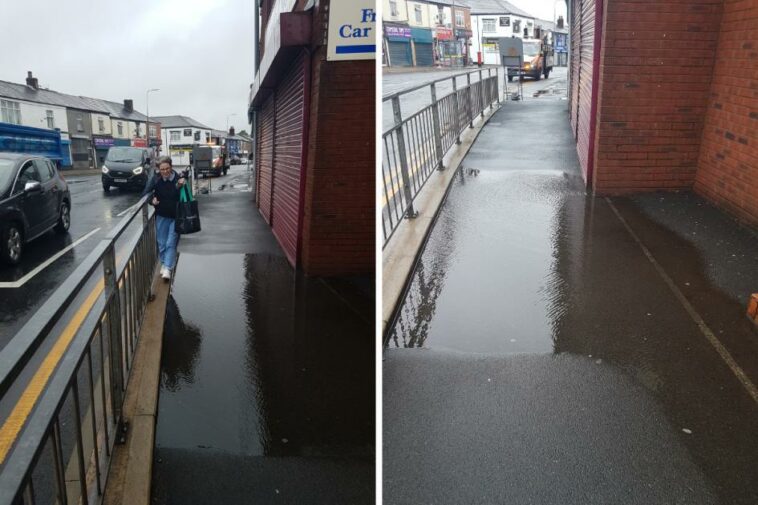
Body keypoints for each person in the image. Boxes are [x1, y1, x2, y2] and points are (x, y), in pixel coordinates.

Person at [142, 156, 186, 280]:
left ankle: (167, 268)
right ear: (158, 169)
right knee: (161, 243)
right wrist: (152, 200)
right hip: (161, 216)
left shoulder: (178, 179)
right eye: (162, 169)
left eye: (167, 168)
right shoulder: (155, 179)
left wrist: (182, 185)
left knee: (170, 243)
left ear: (171, 167)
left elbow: (182, 195)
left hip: (176, 216)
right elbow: (144, 193)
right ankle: (164, 262)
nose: (165, 171)